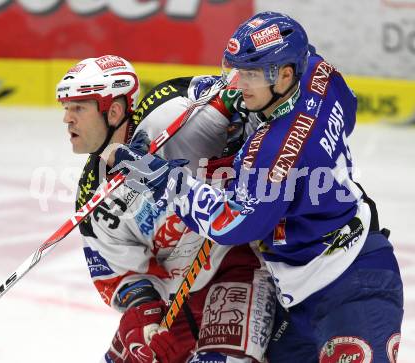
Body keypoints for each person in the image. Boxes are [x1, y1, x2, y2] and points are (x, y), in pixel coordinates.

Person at [114, 12, 404, 363]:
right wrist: (249, 110)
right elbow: (346, 108)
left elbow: (235, 223)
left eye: (250, 75)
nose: (237, 85)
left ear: (284, 75)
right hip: (300, 296)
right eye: (236, 71)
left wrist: (163, 180)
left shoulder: (270, 151)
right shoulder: (318, 74)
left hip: (352, 286)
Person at [55, 55, 275, 363]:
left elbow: (249, 92)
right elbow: (116, 274)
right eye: (66, 108)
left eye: (78, 108)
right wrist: (143, 309)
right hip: (174, 299)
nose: (67, 119)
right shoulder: (93, 195)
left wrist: (241, 124)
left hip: (237, 264)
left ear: (114, 111)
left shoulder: (174, 111)